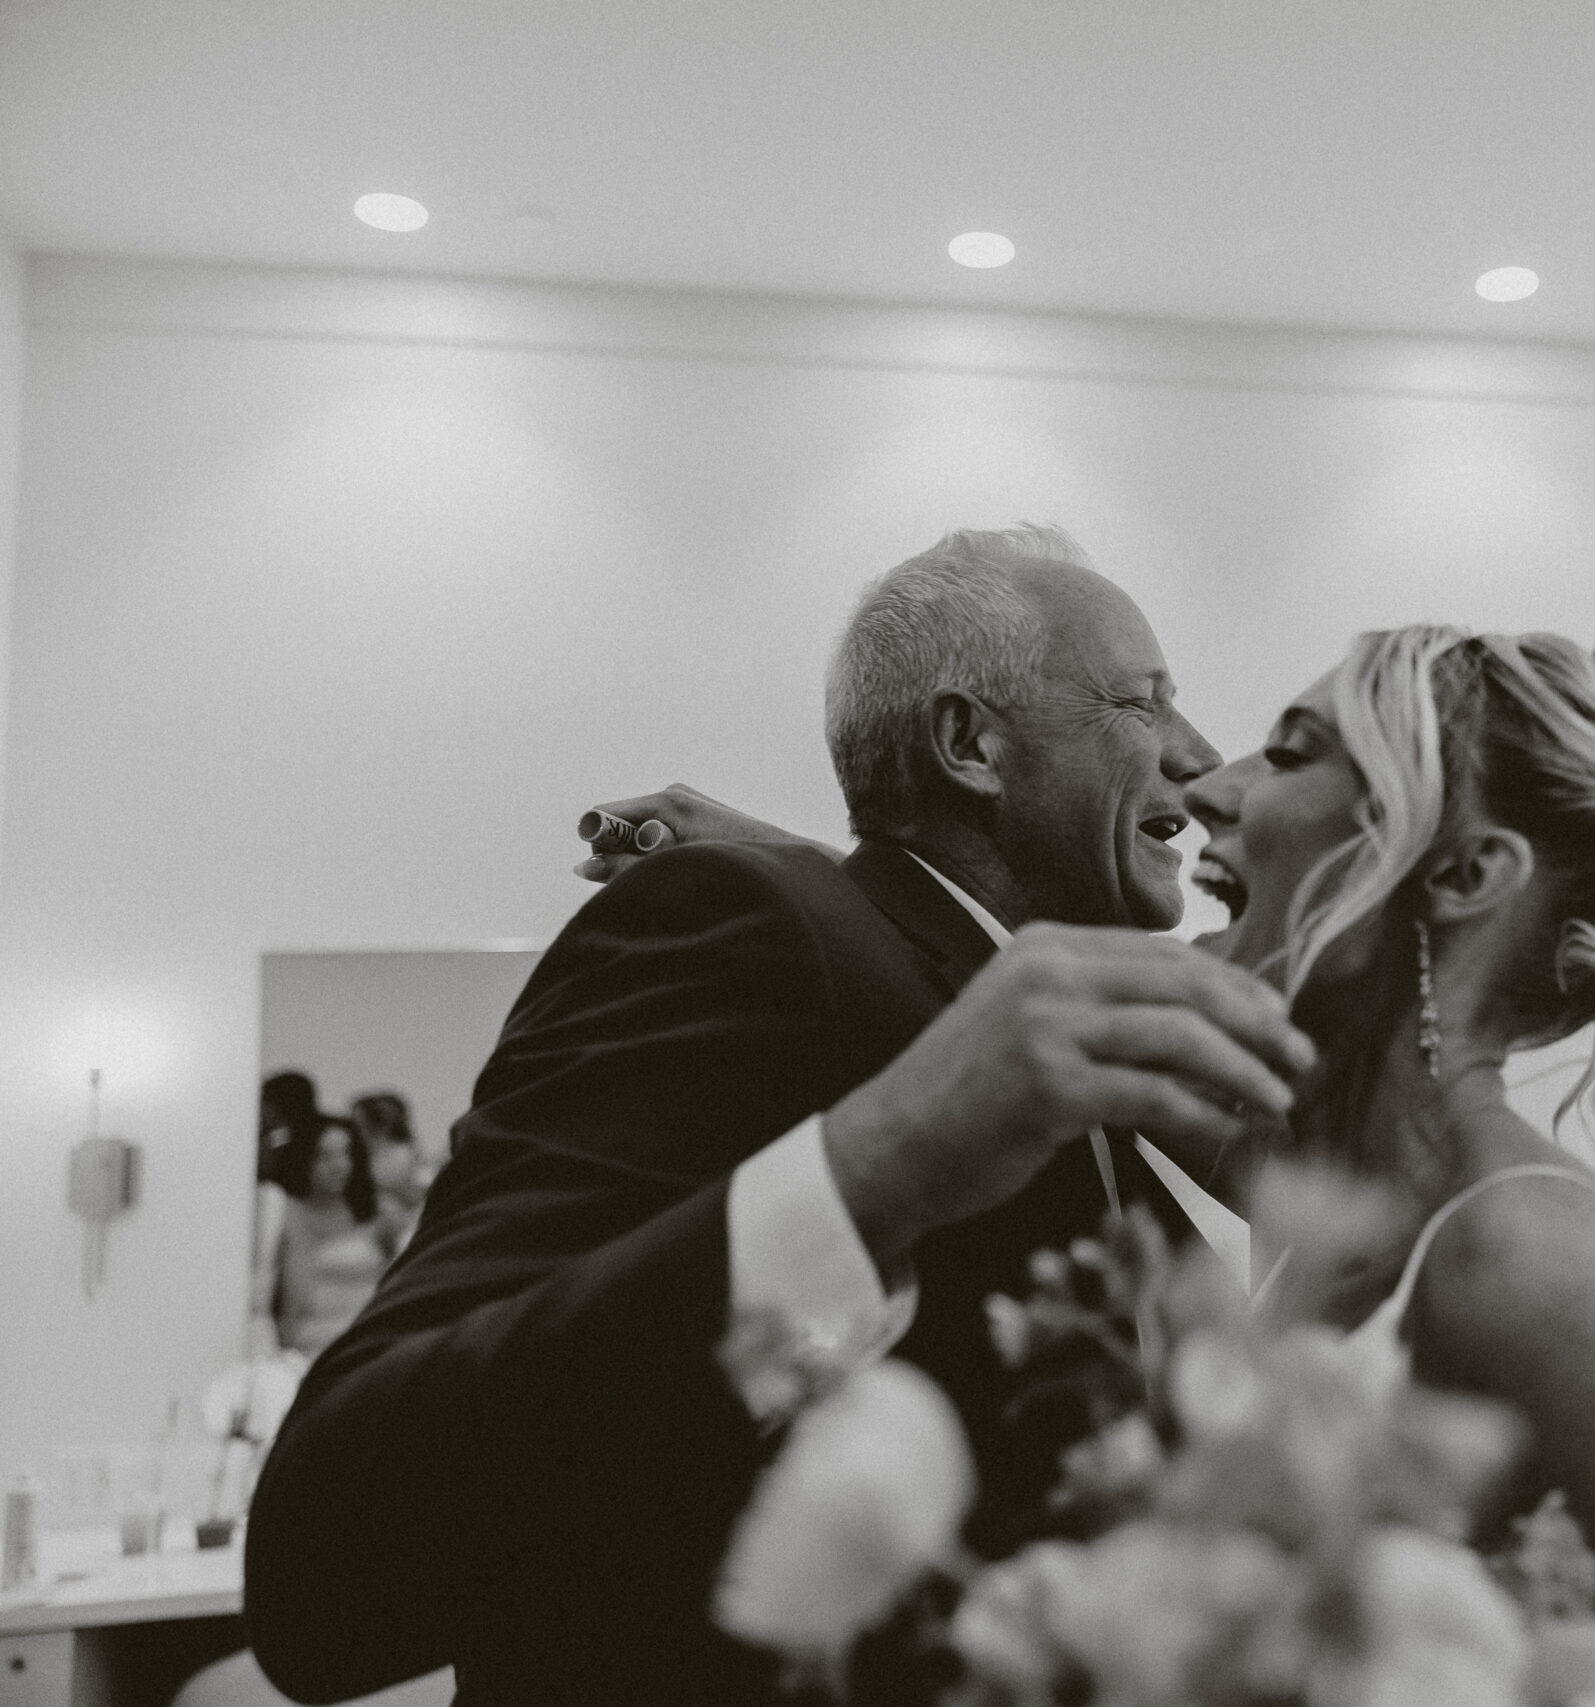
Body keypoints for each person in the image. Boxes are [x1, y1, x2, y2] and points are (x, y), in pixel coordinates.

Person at [246, 527, 1314, 1707]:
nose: (1203, 760)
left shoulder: (1007, 1017)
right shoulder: (740, 926)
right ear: (970, 742)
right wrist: (876, 1169)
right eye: (1141, 702)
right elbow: (328, 1562)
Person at [598, 618, 1595, 1665]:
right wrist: (816, 875)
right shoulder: (1345, 1182)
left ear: (1468, 872)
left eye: (1292, 749)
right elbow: (1022, 990)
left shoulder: (1529, 1257)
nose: (1214, 785)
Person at [253, 1116, 402, 1356]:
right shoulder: (285, 1212)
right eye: (324, 1156)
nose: (338, 1165)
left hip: (369, 1343)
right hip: (304, 1347)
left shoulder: (378, 1214)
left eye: (346, 1154)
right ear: (305, 1159)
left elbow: (398, 1284)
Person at [349, 1090, 429, 1252]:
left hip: (400, 1221)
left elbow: (415, 1195)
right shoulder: (354, 1155)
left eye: (360, 1124)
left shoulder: (403, 1154)